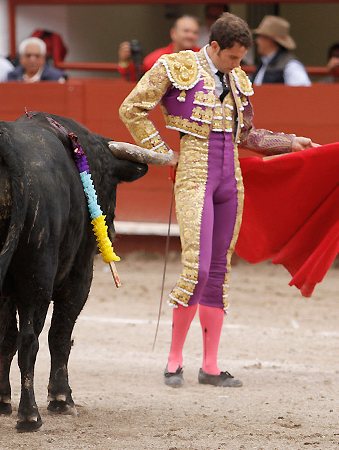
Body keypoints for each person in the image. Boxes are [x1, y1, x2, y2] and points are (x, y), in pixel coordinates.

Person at [119, 13, 317, 388]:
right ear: (214, 47)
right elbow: (131, 108)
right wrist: (161, 151)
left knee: (219, 272)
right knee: (197, 269)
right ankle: (174, 360)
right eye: (231, 58)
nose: (237, 65)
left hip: (231, 181)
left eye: (241, 58)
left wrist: (290, 143)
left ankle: (210, 366)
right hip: (195, 177)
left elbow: (248, 136)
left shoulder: (238, 78)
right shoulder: (176, 66)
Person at [117, 15, 200, 81]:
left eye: (195, 32)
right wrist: (124, 62)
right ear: (173, 33)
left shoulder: (203, 56)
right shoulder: (156, 58)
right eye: (186, 31)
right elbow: (135, 82)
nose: (190, 36)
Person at [251, 15, 311, 86]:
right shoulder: (263, 63)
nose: (257, 40)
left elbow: (301, 92)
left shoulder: (291, 65)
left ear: (270, 40)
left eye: (260, 37)